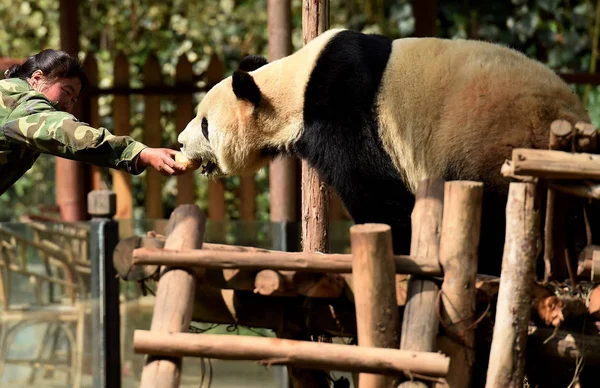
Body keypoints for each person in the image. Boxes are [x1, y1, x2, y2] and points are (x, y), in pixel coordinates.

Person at [0, 49, 186, 195]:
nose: (68, 105)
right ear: (37, 79)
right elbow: (69, 133)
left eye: (74, 100)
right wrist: (140, 153)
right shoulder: (20, 101)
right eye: (66, 91)